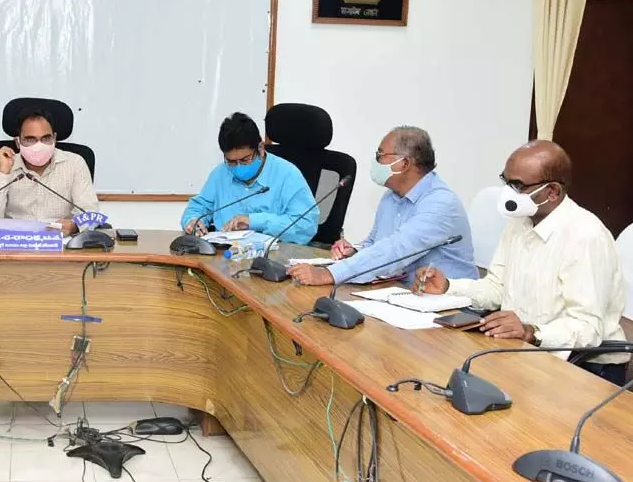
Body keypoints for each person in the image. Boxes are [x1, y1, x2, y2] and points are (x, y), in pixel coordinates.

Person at [415, 140, 629, 385]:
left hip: (587, 366)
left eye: (518, 185)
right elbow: (496, 288)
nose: (509, 192)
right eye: (506, 182)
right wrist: (447, 287)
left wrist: (532, 332)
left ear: (552, 192)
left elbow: (588, 328)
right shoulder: (520, 223)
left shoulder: (585, 236)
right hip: (529, 351)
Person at [289, 126, 477, 285]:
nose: (376, 161)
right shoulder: (391, 196)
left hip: (448, 305)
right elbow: (375, 243)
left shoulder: (441, 204)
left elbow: (395, 251)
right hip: (402, 292)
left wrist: (328, 274)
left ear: (403, 163)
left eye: (380, 155)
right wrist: (354, 250)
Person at [180, 112, 318, 245]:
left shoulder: (287, 175)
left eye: (245, 160)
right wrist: (192, 221)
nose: (238, 166)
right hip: (224, 257)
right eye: (232, 162)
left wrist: (254, 221)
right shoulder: (221, 173)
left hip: (272, 259)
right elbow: (198, 207)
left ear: (260, 148)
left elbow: (306, 226)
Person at [0, 107, 98, 236]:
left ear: (54, 138)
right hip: (13, 244)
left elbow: (90, 212)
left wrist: (74, 226)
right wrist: (3, 174)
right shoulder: (2, 166)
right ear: (18, 142)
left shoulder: (75, 163)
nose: (39, 145)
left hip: (61, 244)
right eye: (30, 139)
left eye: (46, 138)